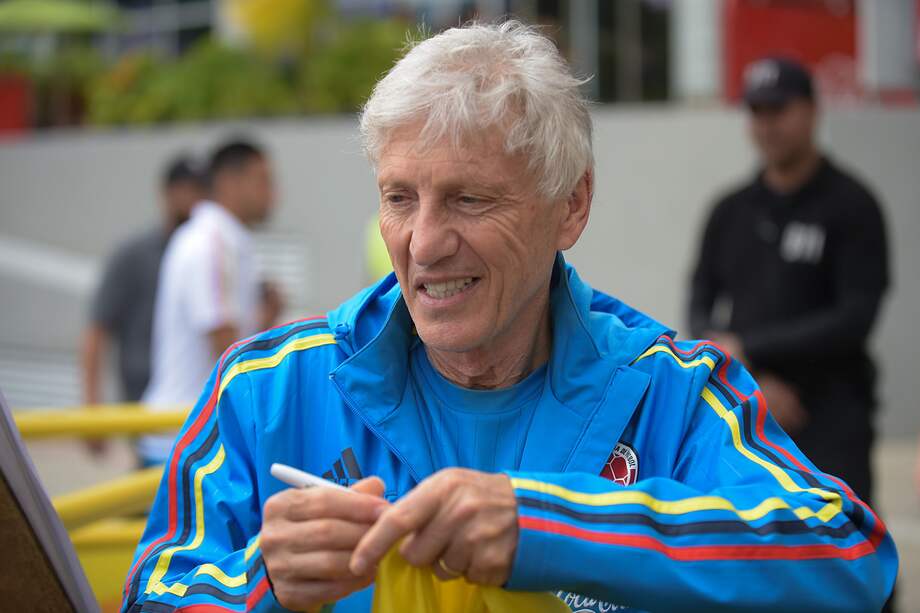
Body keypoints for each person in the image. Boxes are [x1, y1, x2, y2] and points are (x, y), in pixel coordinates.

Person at [123, 24, 896, 613]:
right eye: (399, 197)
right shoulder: (267, 388)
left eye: (469, 198)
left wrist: (555, 529)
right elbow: (149, 592)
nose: (423, 243)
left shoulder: (674, 391)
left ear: (572, 205)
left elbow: (851, 555)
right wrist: (262, 581)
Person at [688, 57, 890, 509]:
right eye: (757, 112)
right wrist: (750, 380)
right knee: (751, 550)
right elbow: (700, 301)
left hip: (832, 413)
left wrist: (751, 347)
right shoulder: (731, 211)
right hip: (749, 410)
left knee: (847, 555)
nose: (767, 125)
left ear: (812, 111)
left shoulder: (852, 206)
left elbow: (855, 317)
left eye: (779, 109)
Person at [138, 139, 282, 466]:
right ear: (229, 182)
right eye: (263, 180)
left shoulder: (218, 238)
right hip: (186, 437)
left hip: (187, 431)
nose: (274, 193)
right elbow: (225, 346)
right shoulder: (212, 241)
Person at [81, 156, 204, 448]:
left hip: (192, 403)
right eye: (189, 189)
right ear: (168, 192)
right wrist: (91, 412)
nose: (197, 199)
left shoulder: (204, 252)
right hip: (144, 403)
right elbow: (97, 330)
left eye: (202, 190)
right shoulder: (134, 254)